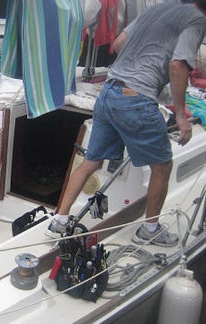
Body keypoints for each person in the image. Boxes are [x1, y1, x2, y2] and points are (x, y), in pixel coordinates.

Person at [47, 1, 206, 247]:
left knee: (91, 161)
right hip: (136, 100)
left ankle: (59, 220)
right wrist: (182, 117)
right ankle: (149, 229)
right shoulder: (196, 19)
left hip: (109, 92)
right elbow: (177, 65)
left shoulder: (157, 10)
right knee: (162, 166)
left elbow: (118, 44)